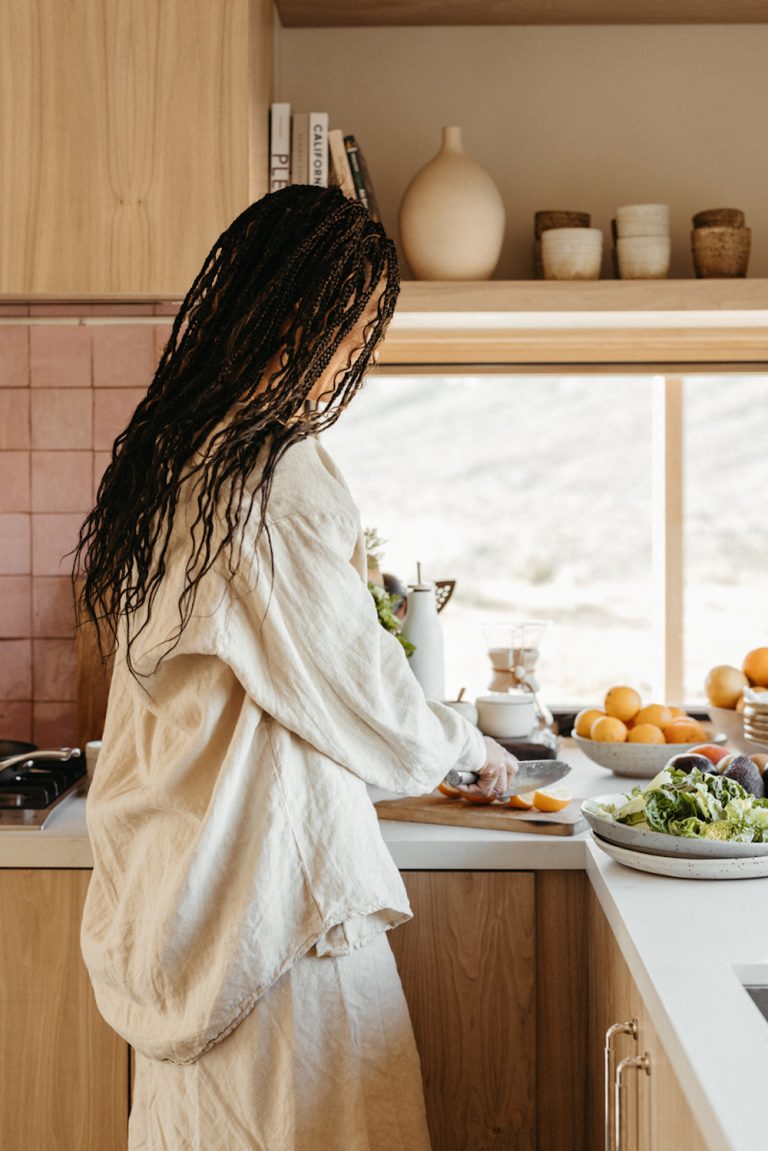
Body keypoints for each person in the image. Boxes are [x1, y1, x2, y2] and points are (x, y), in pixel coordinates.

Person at [75, 184, 518, 1151]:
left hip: (182, 900)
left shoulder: (176, 459)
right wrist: (466, 743)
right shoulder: (266, 476)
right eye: (345, 329)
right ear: (290, 318)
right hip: (271, 915)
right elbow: (371, 707)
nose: (338, 365)